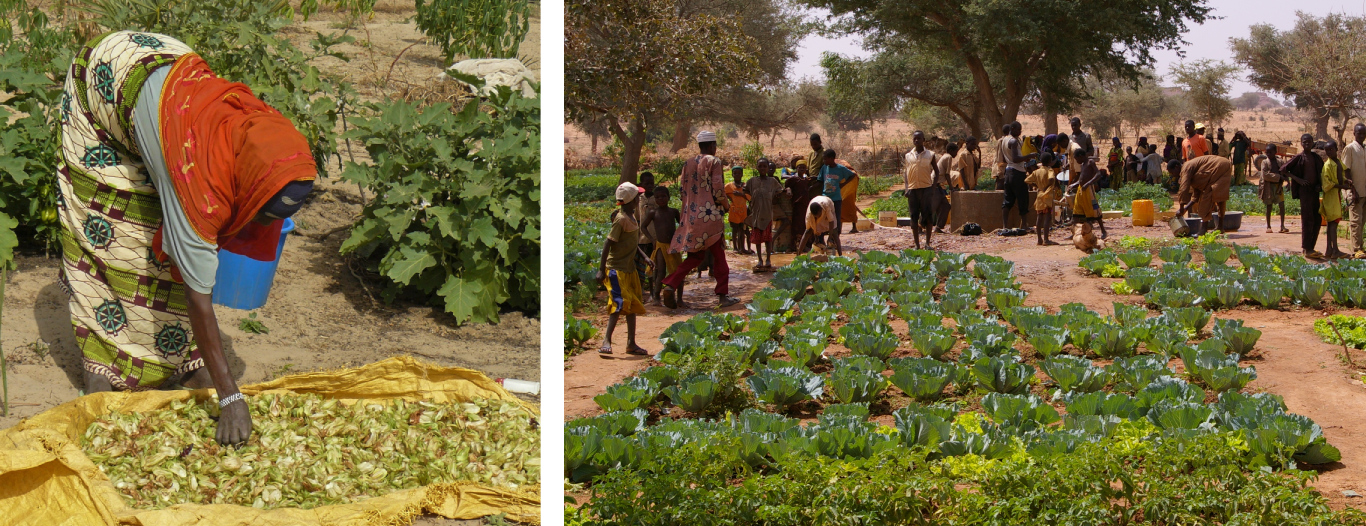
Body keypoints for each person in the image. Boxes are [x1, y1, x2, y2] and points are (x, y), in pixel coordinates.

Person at [57, 31, 320, 446]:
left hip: (175, 69)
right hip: (106, 81)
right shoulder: (202, 188)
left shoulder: (271, 141)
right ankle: (104, 367)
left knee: (168, 247)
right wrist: (230, 395)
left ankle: (179, 360)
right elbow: (199, 294)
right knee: (116, 234)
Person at [661, 131, 739, 308]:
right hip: (709, 216)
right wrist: (726, 206)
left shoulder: (687, 163)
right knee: (719, 256)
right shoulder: (714, 161)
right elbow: (718, 189)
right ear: (712, 146)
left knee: (695, 257)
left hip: (691, 216)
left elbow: (682, 191)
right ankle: (722, 295)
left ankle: (670, 284)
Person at [598, 182, 654, 355]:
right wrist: (601, 270)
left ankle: (631, 343)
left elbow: (632, 244)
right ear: (632, 201)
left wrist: (644, 257)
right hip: (616, 270)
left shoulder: (632, 219)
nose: (639, 199)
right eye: (638, 196)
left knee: (632, 305)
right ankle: (606, 340)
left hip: (629, 270)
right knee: (618, 304)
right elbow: (608, 243)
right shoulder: (621, 219)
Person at [1284, 134, 1326, 258]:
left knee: (1317, 219)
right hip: (1304, 192)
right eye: (1304, 142)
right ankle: (1306, 248)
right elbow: (1284, 169)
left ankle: (1311, 247)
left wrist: (1319, 185)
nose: (1307, 144)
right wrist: (1298, 180)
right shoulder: (1299, 157)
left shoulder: (1316, 157)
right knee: (1307, 219)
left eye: (1309, 142)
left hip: (1314, 191)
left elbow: (1320, 173)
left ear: (1313, 143)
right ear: (1301, 143)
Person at [641, 187, 682, 307]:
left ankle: (679, 299)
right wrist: (652, 239)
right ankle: (656, 297)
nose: (661, 199)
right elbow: (643, 227)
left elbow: (682, 225)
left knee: (678, 271)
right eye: (658, 197)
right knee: (661, 272)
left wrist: (681, 239)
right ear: (655, 199)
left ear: (668, 197)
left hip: (673, 246)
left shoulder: (673, 212)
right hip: (660, 246)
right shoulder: (653, 213)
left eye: (663, 196)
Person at [1173, 155, 1235, 234]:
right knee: (1219, 196)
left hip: (1218, 166)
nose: (1173, 175)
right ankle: (1220, 227)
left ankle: (1203, 229)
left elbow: (1184, 188)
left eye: (1172, 172)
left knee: (1207, 196)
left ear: (1176, 167)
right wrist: (1186, 209)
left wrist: (1181, 207)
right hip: (1224, 163)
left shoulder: (1186, 168)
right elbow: (1195, 195)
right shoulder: (1196, 173)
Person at [745, 158, 784, 270]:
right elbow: (745, 190)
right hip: (756, 214)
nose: (762, 168)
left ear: (768, 168)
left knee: (767, 239)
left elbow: (780, 191)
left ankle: (768, 259)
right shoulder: (752, 181)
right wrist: (750, 200)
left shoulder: (772, 181)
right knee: (757, 239)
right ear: (757, 167)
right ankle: (759, 260)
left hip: (767, 214)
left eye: (764, 166)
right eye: (760, 166)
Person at [998, 121, 1037, 230]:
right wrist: (1029, 155)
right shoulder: (1014, 141)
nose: (1020, 132)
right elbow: (1015, 159)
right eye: (1018, 130)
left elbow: (1010, 158)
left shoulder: (1004, 140)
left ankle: (1005, 226)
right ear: (1013, 128)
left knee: (1007, 200)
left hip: (1008, 171)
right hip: (1017, 172)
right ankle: (1024, 225)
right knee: (1023, 199)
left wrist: (1024, 158)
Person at [904, 131, 939, 248]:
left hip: (926, 189)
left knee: (928, 217)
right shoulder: (908, 156)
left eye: (919, 138)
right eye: (914, 139)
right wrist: (906, 188)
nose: (916, 141)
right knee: (913, 217)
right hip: (913, 190)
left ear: (924, 140)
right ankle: (916, 244)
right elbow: (906, 173)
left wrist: (932, 188)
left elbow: (937, 172)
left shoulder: (930, 154)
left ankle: (927, 243)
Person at [1069, 147, 1108, 239]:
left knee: (1094, 210)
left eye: (1076, 158)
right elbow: (1081, 179)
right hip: (1081, 189)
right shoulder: (1083, 165)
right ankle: (1074, 232)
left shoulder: (1090, 162)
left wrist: (1088, 183)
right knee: (1076, 211)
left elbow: (1098, 174)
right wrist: (1073, 185)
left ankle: (1103, 231)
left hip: (1088, 190)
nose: (1076, 160)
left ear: (1081, 156)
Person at [1320, 141, 1350, 258]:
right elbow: (1327, 184)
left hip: (1335, 195)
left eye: (1331, 150)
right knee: (1333, 223)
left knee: (1332, 222)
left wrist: (1346, 181)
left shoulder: (1338, 162)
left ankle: (1329, 249)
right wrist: (1342, 186)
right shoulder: (1327, 165)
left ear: (1336, 149)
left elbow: (1340, 176)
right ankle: (1335, 250)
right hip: (1331, 196)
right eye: (1327, 150)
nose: (1329, 152)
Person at [820, 148, 858, 236]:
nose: (824, 161)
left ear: (832, 158)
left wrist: (843, 184)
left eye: (825, 159)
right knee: (825, 217)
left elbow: (852, 175)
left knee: (837, 217)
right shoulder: (824, 168)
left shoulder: (840, 169)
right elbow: (820, 180)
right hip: (826, 198)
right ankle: (827, 236)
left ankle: (837, 236)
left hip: (836, 198)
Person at [1342, 124, 1366, 258]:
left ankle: (1360, 247)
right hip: (1355, 191)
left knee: (1362, 221)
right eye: (1359, 133)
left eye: (1364, 134)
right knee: (1355, 222)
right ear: (1354, 133)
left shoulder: (1364, 148)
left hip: (1364, 190)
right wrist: (1353, 190)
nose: (1362, 136)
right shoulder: (1350, 148)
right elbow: (1346, 170)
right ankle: (1357, 249)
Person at [1027, 152, 1061, 245]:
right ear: (1050, 161)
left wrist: (1037, 186)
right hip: (1047, 196)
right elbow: (1051, 179)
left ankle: (1039, 239)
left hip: (1039, 195)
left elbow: (1027, 180)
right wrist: (1048, 186)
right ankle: (1046, 239)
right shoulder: (1049, 170)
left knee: (1039, 217)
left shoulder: (1036, 171)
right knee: (1047, 218)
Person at [635, 171, 658, 302]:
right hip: (643, 237)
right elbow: (638, 218)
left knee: (654, 264)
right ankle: (644, 289)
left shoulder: (657, 197)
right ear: (641, 184)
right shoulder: (639, 199)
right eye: (647, 183)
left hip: (655, 236)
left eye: (651, 183)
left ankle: (653, 292)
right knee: (644, 264)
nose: (650, 186)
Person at [785, 159, 819, 246]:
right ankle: (796, 244)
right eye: (800, 167)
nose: (802, 169)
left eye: (804, 168)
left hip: (806, 205)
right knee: (797, 224)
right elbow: (786, 186)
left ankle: (807, 243)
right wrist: (788, 190)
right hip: (797, 205)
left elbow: (811, 181)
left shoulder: (805, 179)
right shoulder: (793, 179)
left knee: (806, 223)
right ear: (796, 168)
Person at [1259, 144, 1287, 234]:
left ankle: (1282, 226)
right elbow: (1265, 175)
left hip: (1278, 187)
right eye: (1267, 152)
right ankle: (1268, 226)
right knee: (1269, 206)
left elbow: (1284, 172)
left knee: (1282, 205)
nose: (1268, 154)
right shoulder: (1264, 162)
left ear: (1275, 152)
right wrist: (1279, 177)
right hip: (1268, 187)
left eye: (1270, 152)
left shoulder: (1280, 161)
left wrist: (1284, 180)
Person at [724, 166, 751, 255]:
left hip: (743, 210)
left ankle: (742, 248)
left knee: (742, 230)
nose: (737, 175)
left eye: (739, 173)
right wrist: (730, 198)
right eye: (735, 173)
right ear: (732, 174)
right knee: (734, 229)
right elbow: (723, 193)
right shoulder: (729, 186)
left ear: (742, 174)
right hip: (734, 210)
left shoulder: (745, 186)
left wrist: (741, 195)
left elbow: (749, 197)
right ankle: (735, 247)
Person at [935, 142, 956, 232]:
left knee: (945, 206)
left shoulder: (945, 156)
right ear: (951, 151)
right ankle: (920, 225)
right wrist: (951, 187)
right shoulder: (948, 157)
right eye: (956, 151)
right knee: (932, 206)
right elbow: (947, 174)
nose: (956, 154)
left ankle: (938, 227)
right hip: (935, 184)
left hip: (939, 184)